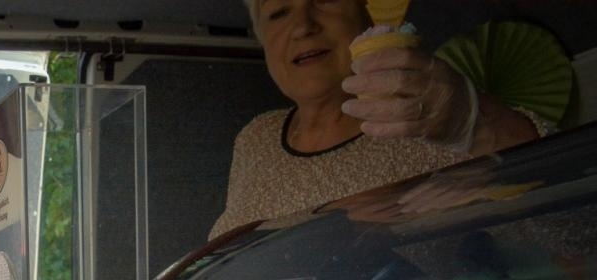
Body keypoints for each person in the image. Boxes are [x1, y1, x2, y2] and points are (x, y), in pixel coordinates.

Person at [210, 0, 541, 238]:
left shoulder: (433, 116)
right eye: (279, 12)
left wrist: (478, 124)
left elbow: (574, 238)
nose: (303, 26)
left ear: (368, 18)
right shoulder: (256, 136)